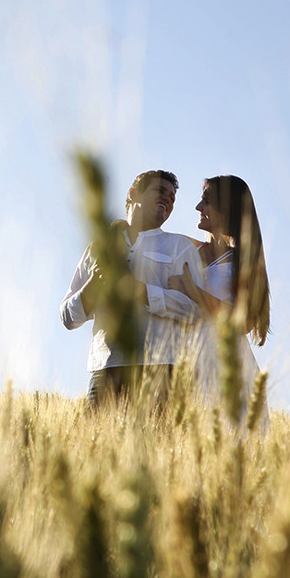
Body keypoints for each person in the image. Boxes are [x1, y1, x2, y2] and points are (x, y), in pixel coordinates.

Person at [61, 170, 205, 407]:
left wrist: (144, 293)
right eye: (161, 191)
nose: (168, 199)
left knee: (155, 444)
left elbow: (197, 312)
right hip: (106, 369)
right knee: (96, 443)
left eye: (172, 198)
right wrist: (92, 287)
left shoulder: (180, 246)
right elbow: (67, 318)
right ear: (133, 193)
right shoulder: (99, 248)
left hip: (162, 371)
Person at [167, 175, 271, 425]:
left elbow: (245, 321)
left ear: (228, 208)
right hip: (184, 361)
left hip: (228, 367)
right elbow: (148, 243)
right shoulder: (185, 250)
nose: (198, 208)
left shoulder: (245, 262)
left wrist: (193, 289)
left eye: (206, 201)